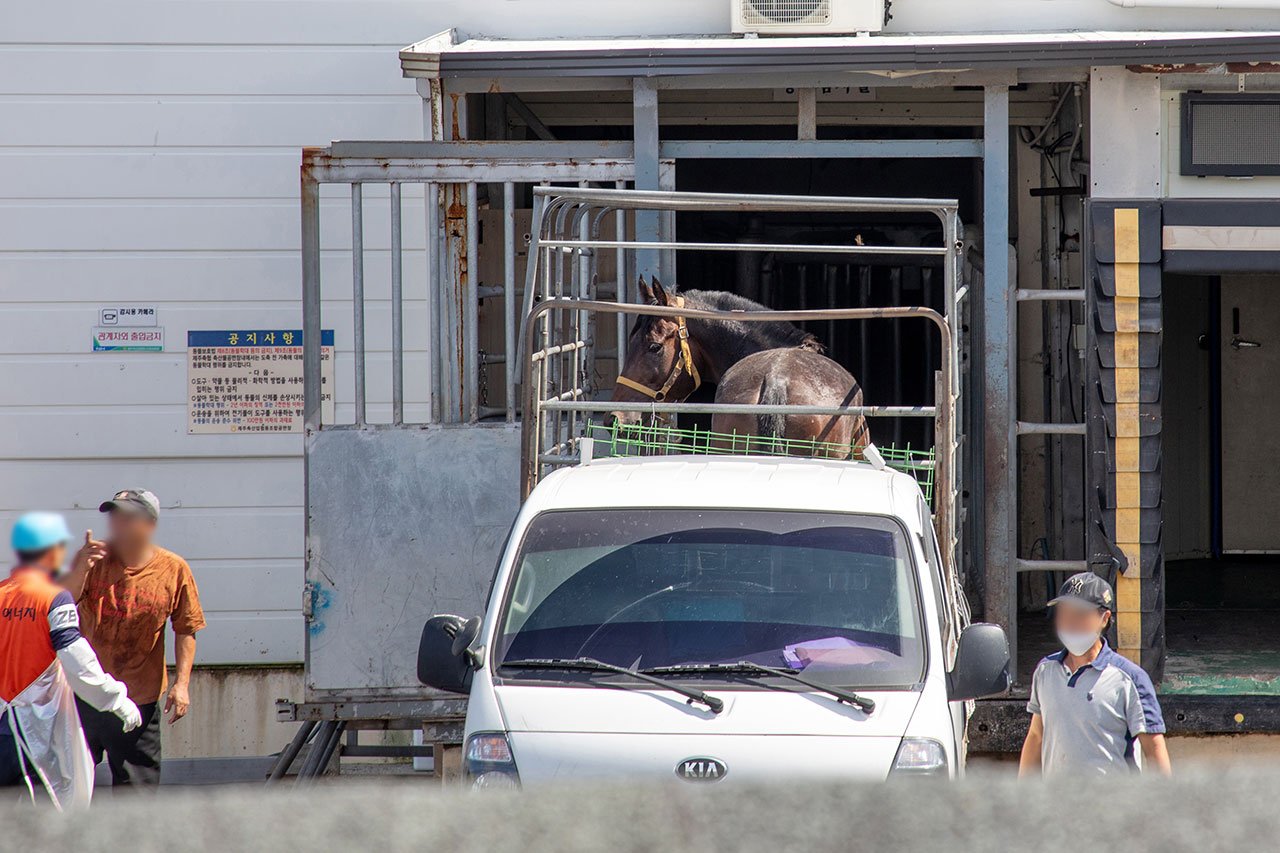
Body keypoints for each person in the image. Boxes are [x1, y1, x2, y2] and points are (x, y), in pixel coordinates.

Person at [64, 489, 206, 789]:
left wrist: (182, 685)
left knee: (137, 791)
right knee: (69, 785)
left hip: (138, 699)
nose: (117, 524)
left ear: (149, 524)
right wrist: (80, 568)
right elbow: (62, 602)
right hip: (85, 693)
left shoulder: (174, 569)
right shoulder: (93, 558)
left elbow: (186, 628)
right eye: (114, 517)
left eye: (127, 517)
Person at [1, 512, 141, 809]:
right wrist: (116, 699)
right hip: (34, 729)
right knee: (40, 820)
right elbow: (77, 661)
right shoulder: (53, 597)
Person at [1019, 572, 1172, 777]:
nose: (1070, 622)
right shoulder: (1045, 671)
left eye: (1080, 614)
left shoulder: (1129, 679)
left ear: (1104, 618)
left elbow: (1154, 751)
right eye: (1064, 613)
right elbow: (1036, 736)